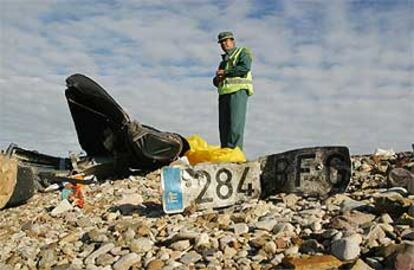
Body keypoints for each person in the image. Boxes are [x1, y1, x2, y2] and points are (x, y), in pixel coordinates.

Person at [213, 31, 253, 150]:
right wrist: (217, 79)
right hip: (224, 94)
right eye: (221, 42)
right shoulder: (223, 61)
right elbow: (217, 81)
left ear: (232, 41)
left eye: (226, 41)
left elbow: (244, 68)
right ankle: (225, 152)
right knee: (224, 127)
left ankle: (235, 153)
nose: (224, 44)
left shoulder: (242, 52)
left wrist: (225, 72)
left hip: (238, 92)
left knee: (235, 126)